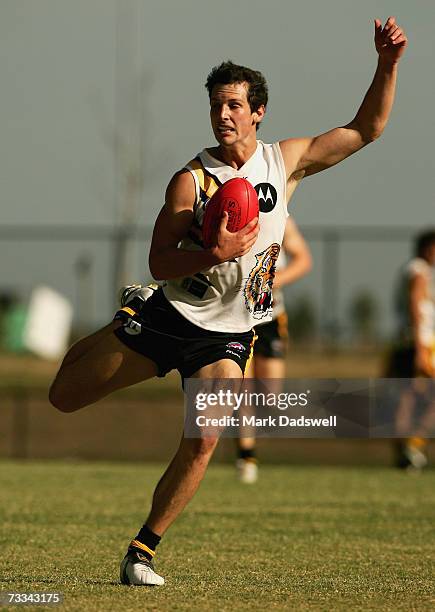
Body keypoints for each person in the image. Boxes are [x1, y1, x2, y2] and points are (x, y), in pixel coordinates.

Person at [49, 17, 407, 586]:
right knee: (64, 396)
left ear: (257, 111)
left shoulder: (285, 162)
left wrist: (387, 63)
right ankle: (125, 317)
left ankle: (141, 551)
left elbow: (367, 128)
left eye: (235, 104)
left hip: (231, 332)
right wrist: (211, 255)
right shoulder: (190, 181)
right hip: (171, 314)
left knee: (206, 435)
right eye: (217, 104)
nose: (224, 114)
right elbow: (159, 261)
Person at [236, 217, 312, 483]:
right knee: (242, 389)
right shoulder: (229, 211)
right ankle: (246, 456)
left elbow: (303, 258)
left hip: (271, 316)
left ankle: (250, 444)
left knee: (270, 395)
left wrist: (275, 279)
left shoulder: (282, 217)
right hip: (236, 317)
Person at [388, 230, 435, 469]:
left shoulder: (411, 269)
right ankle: (411, 446)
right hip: (419, 343)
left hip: (410, 342)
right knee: (410, 397)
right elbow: (415, 307)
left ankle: (407, 449)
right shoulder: (419, 271)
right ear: (428, 249)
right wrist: (420, 347)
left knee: (407, 397)